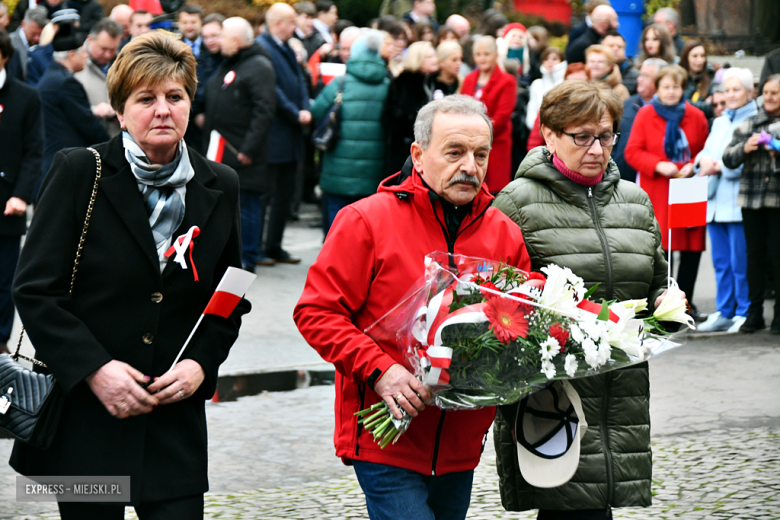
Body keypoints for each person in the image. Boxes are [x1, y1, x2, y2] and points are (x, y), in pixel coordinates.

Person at [10, 31, 250, 519]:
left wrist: (200, 366)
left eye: (174, 96)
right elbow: (34, 291)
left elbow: (231, 295)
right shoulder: (80, 171)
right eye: (146, 98)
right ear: (120, 111)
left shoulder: (219, 184)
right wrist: (96, 370)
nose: (162, 110)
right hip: (87, 423)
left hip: (173, 423)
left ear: (189, 104)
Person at [294, 95, 531, 520]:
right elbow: (316, 312)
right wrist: (381, 371)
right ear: (419, 157)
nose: (470, 167)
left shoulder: (505, 234)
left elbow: (519, 322)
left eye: (480, 155)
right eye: (454, 152)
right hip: (386, 431)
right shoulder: (365, 221)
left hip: (460, 440)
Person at [493, 79, 670, 520]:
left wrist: (669, 306)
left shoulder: (635, 201)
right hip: (556, 392)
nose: (596, 148)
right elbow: (497, 304)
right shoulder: (516, 203)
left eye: (606, 135)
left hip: (623, 388)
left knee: (597, 504)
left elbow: (656, 283)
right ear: (549, 135)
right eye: (582, 136)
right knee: (572, 508)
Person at [624, 65, 709, 320]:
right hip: (659, 188)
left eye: (676, 87)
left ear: (682, 88)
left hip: (688, 187)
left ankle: (687, 304)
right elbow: (632, 152)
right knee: (662, 248)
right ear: (657, 89)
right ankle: (663, 303)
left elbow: (705, 150)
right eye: (666, 87)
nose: (671, 92)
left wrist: (692, 165)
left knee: (692, 248)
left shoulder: (696, 115)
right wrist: (658, 165)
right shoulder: (645, 114)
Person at [204, 17, 275, 273]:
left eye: (222, 36)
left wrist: (248, 148)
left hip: (243, 153)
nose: (218, 41)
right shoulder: (232, 63)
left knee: (247, 205)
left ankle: (248, 257)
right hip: (223, 148)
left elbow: (264, 111)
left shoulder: (258, 66)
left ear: (235, 41)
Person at [693, 68, 757, 333]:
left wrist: (721, 166)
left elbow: (753, 163)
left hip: (740, 201)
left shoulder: (755, 119)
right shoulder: (719, 122)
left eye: (736, 89)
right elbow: (704, 155)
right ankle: (724, 310)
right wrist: (702, 161)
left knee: (740, 261)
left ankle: (744, 311)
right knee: (721, 261)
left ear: (750, 92)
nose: (731, 95)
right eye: (727, 90)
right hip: (715, 201)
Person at [310, 30, 389, 232]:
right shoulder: (388, 85)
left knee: (336, 223)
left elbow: (316, 110)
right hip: (373, 171)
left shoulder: (341, 83)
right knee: (365, 225)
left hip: (337, 167)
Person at [722, 74, 780, 335]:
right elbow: (728, 158)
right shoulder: (749, 124)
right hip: (752, 200)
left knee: (777, 257)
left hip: (776, 200)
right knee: (753, 257)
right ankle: (754, 314)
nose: (768, 97)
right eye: (766, 92)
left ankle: (778, 316)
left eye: (774, 93)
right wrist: (745, 147)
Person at [257, 3, 310, 265]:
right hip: (275, 134)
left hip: (290, 134)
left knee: (284, 194)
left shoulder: (286, 47)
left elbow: (299, 80)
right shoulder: (263, 47)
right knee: (267, 193)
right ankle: (259, 248)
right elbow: (273, 90)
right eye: (291, 22)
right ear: (278, 23)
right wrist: (295, 112)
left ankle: (275, 245)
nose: (295, 27)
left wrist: (304, 106)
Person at [0, 29, 42, 354]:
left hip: (7, 202)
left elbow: (33, 152)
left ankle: (0, 343)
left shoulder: (25, 97)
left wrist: (21, 195)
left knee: (3, 279)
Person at [37, 25, 110, 192]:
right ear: (71, 54)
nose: (86, 56)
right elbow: (87, 123)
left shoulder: (51, 76)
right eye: (83, 52)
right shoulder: (65, 83)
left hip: (53, 161)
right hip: (66, 164)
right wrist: (112, 146)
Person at [461, 35, 516, 193]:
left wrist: (476, 133)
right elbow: (462, 108)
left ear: (496, 55)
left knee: (494, 191)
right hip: (468, 144)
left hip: (495, 143)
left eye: (487, 54)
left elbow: (502, 115)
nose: (482, 58)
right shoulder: (469, 78)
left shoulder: (507, 81)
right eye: (478, 54)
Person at [384, 41, 439, 176]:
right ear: (418, 59)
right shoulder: (406, 83)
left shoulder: (430, 81)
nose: (435, 60)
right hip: (405, 149)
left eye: (434, 56)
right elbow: (399, 117)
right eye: (429, 57)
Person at [613, 58, 668, 181]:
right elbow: (614, 136)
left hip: (652, 179)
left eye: (645, 76)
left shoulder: (669, 111)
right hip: (622, 179)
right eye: (640, 74)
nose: (639, 79)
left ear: (660, 81)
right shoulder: (628, 103)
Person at [74, 18, 123, 136]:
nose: (107, 55)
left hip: (116, 139)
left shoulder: (122, 65)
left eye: (113, 50)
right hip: (86, 139)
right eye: (103, 49)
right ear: (90, 40)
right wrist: (94, 110)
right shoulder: (75, 64)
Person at [526, 62, 589, 152]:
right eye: (572, 82)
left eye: (581, 82)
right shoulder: (552, 105)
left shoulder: (597, 108)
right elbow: (535, 141)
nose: (576, 87)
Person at [525, 46, 565, 131]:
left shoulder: (567, 82)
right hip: (538, 129)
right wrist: (535, 126)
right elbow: (532, 107)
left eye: (554, 59)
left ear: (562, 61)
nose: (550, 62)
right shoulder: (537, 84)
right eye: (546, 59)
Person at [7, 6, 48, 81]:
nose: (37, 38)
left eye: (40, 34)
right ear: (22, 24)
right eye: (33, 34)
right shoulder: (9, 43)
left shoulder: (45, 45)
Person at [680, 41, 715, 119]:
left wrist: (683, 103)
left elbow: (712, 108)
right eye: (695, 56)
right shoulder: (678, 78)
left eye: (702, 56)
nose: (700, 60)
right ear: (686, 58)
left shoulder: (711, 78)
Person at [602, 30, 638, 95]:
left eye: (620, 47)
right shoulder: (593, 72)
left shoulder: (636, 76)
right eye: (611, 46)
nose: (615, 49)